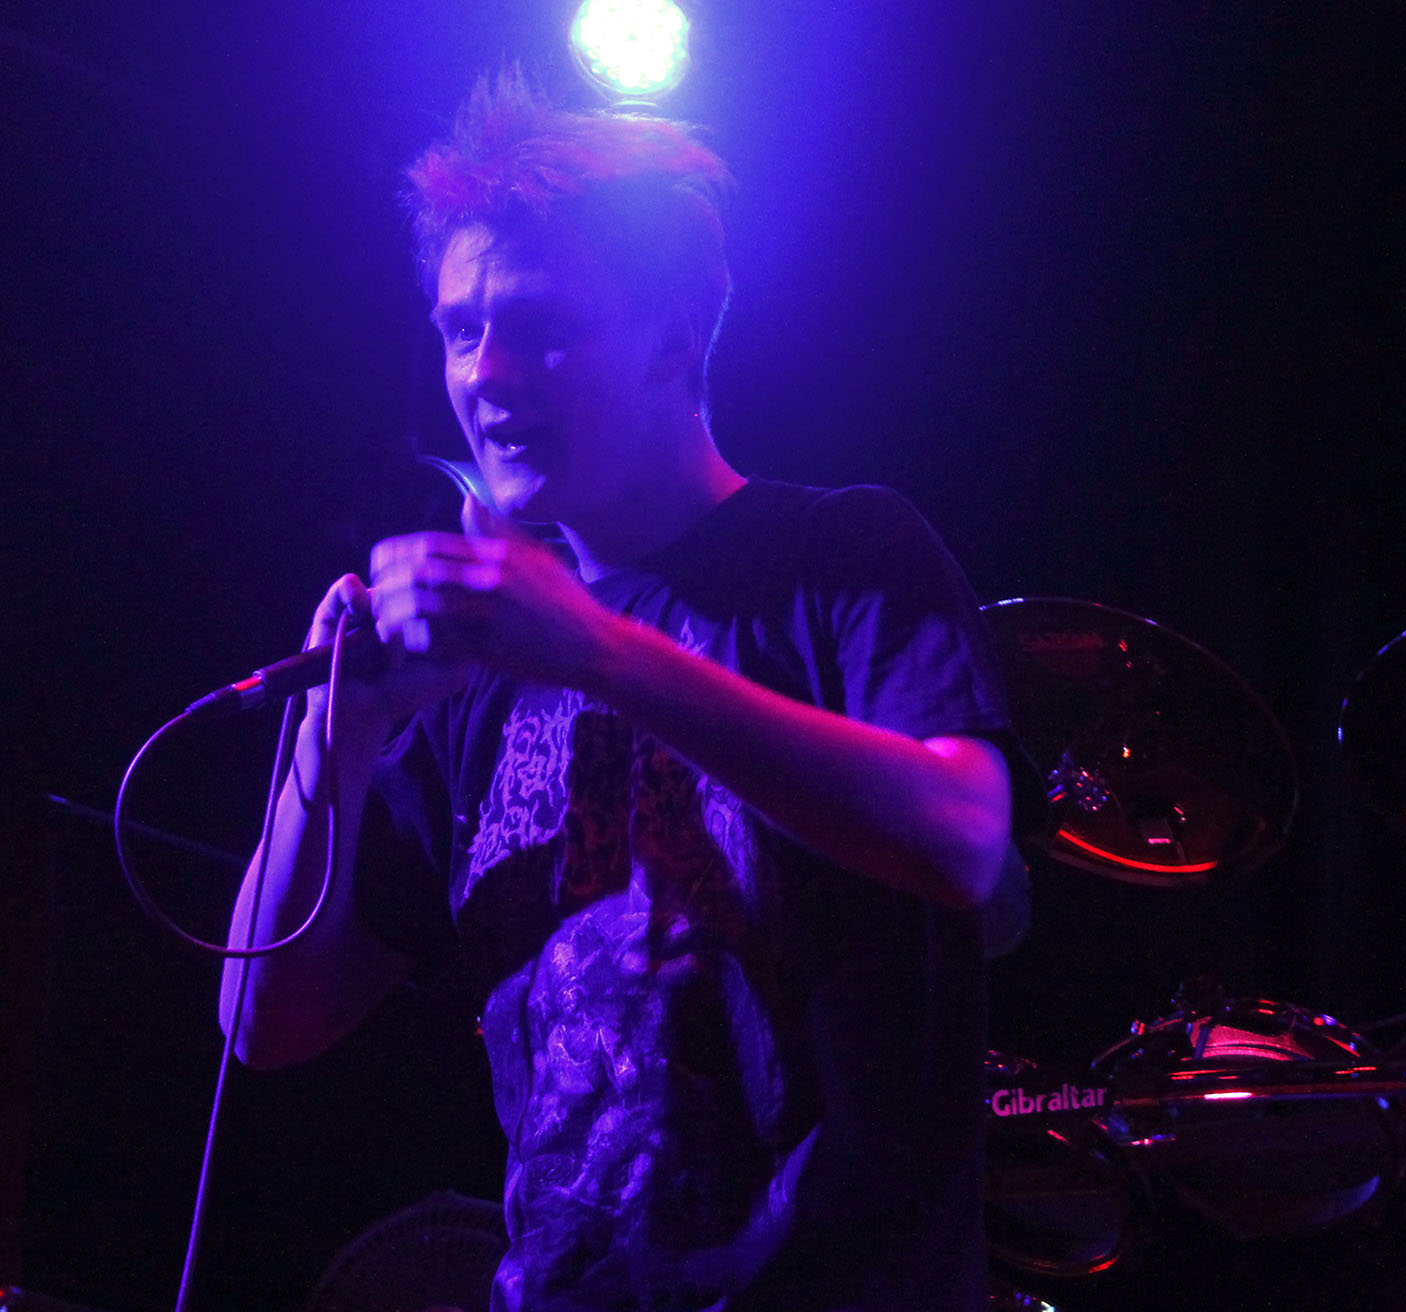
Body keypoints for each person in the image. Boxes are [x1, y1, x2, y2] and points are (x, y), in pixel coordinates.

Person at [221, 71, 1028, 1312]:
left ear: (673, 338)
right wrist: (337, 739)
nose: (488, 372)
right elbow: (264, 1022)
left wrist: (597, 649)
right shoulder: (479, 672)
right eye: (459, 330)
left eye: (540, 326)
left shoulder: (843, 555)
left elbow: (963, 836)